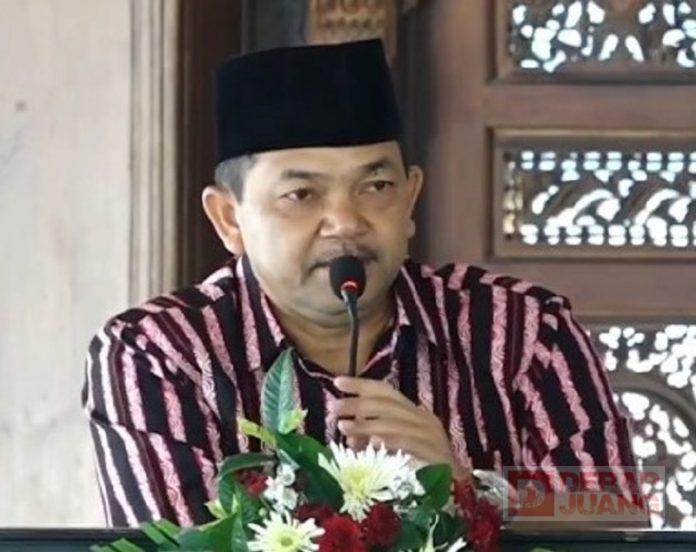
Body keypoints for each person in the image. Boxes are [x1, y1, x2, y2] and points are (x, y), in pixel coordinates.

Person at [82, 39, 637, 527]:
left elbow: (615, 516)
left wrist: (465, 488)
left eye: (376, 187)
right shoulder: (162, 354)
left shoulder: (524, 331)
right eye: (302, 195)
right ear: (229, 219)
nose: (346, 222)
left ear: (411, 199)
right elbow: (177, 544)